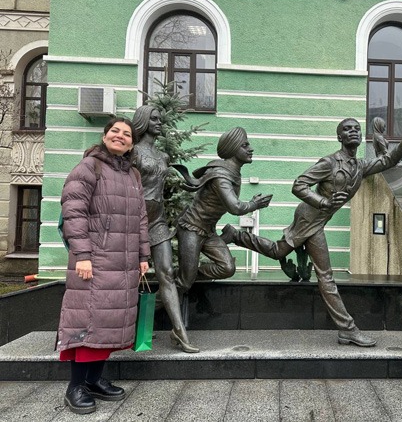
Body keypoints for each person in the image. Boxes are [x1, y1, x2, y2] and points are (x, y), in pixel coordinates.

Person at [221, 117, 402, 347]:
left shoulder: (360, 166)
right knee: (325, 275)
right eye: (347, 129)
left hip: (318, 220)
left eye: (356, 129)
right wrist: (324, 202)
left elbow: (389, 160)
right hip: (309, 218)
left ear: (362, 136)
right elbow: (298, 185)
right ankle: (348, 330)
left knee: (278, 251)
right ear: (339, 137)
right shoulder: (329, 162)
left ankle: (235, 235)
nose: (353, 131)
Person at [56, 117, 150, 415]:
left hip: (123, 263)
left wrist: (143, 256)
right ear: (105, 135)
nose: (120, 136)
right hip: (94, 262)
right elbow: (74, 212)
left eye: (126, 134)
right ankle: (75, 387)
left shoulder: (133, 174)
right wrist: (82, 255)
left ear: (131, 143)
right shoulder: (89, 167)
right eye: (115, 131)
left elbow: (141, 218)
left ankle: (94, 380)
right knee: (88, 322)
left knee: (110, 324)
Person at [174, 127, 272, 314]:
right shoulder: (221, 176)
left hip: (208, 231)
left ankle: (185, 273)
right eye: (245, 145)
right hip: (191, 228)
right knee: (184, 282)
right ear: (233, 149)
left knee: (227, 268)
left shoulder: (232, 173)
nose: (250, 149)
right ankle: (149, 310)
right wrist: (254, 204)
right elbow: (235, 207)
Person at [131, 105, 199, 354]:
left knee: (167, 272)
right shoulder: (133, 152)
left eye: (160, 119)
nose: (159, 122)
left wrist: (187, 184)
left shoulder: (163, 156)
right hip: (133, 220)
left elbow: (161, 186)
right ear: (143, 121)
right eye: (154, 119)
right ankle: (126, 327)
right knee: (128, 275)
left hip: (157, 220)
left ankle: (180, 332)